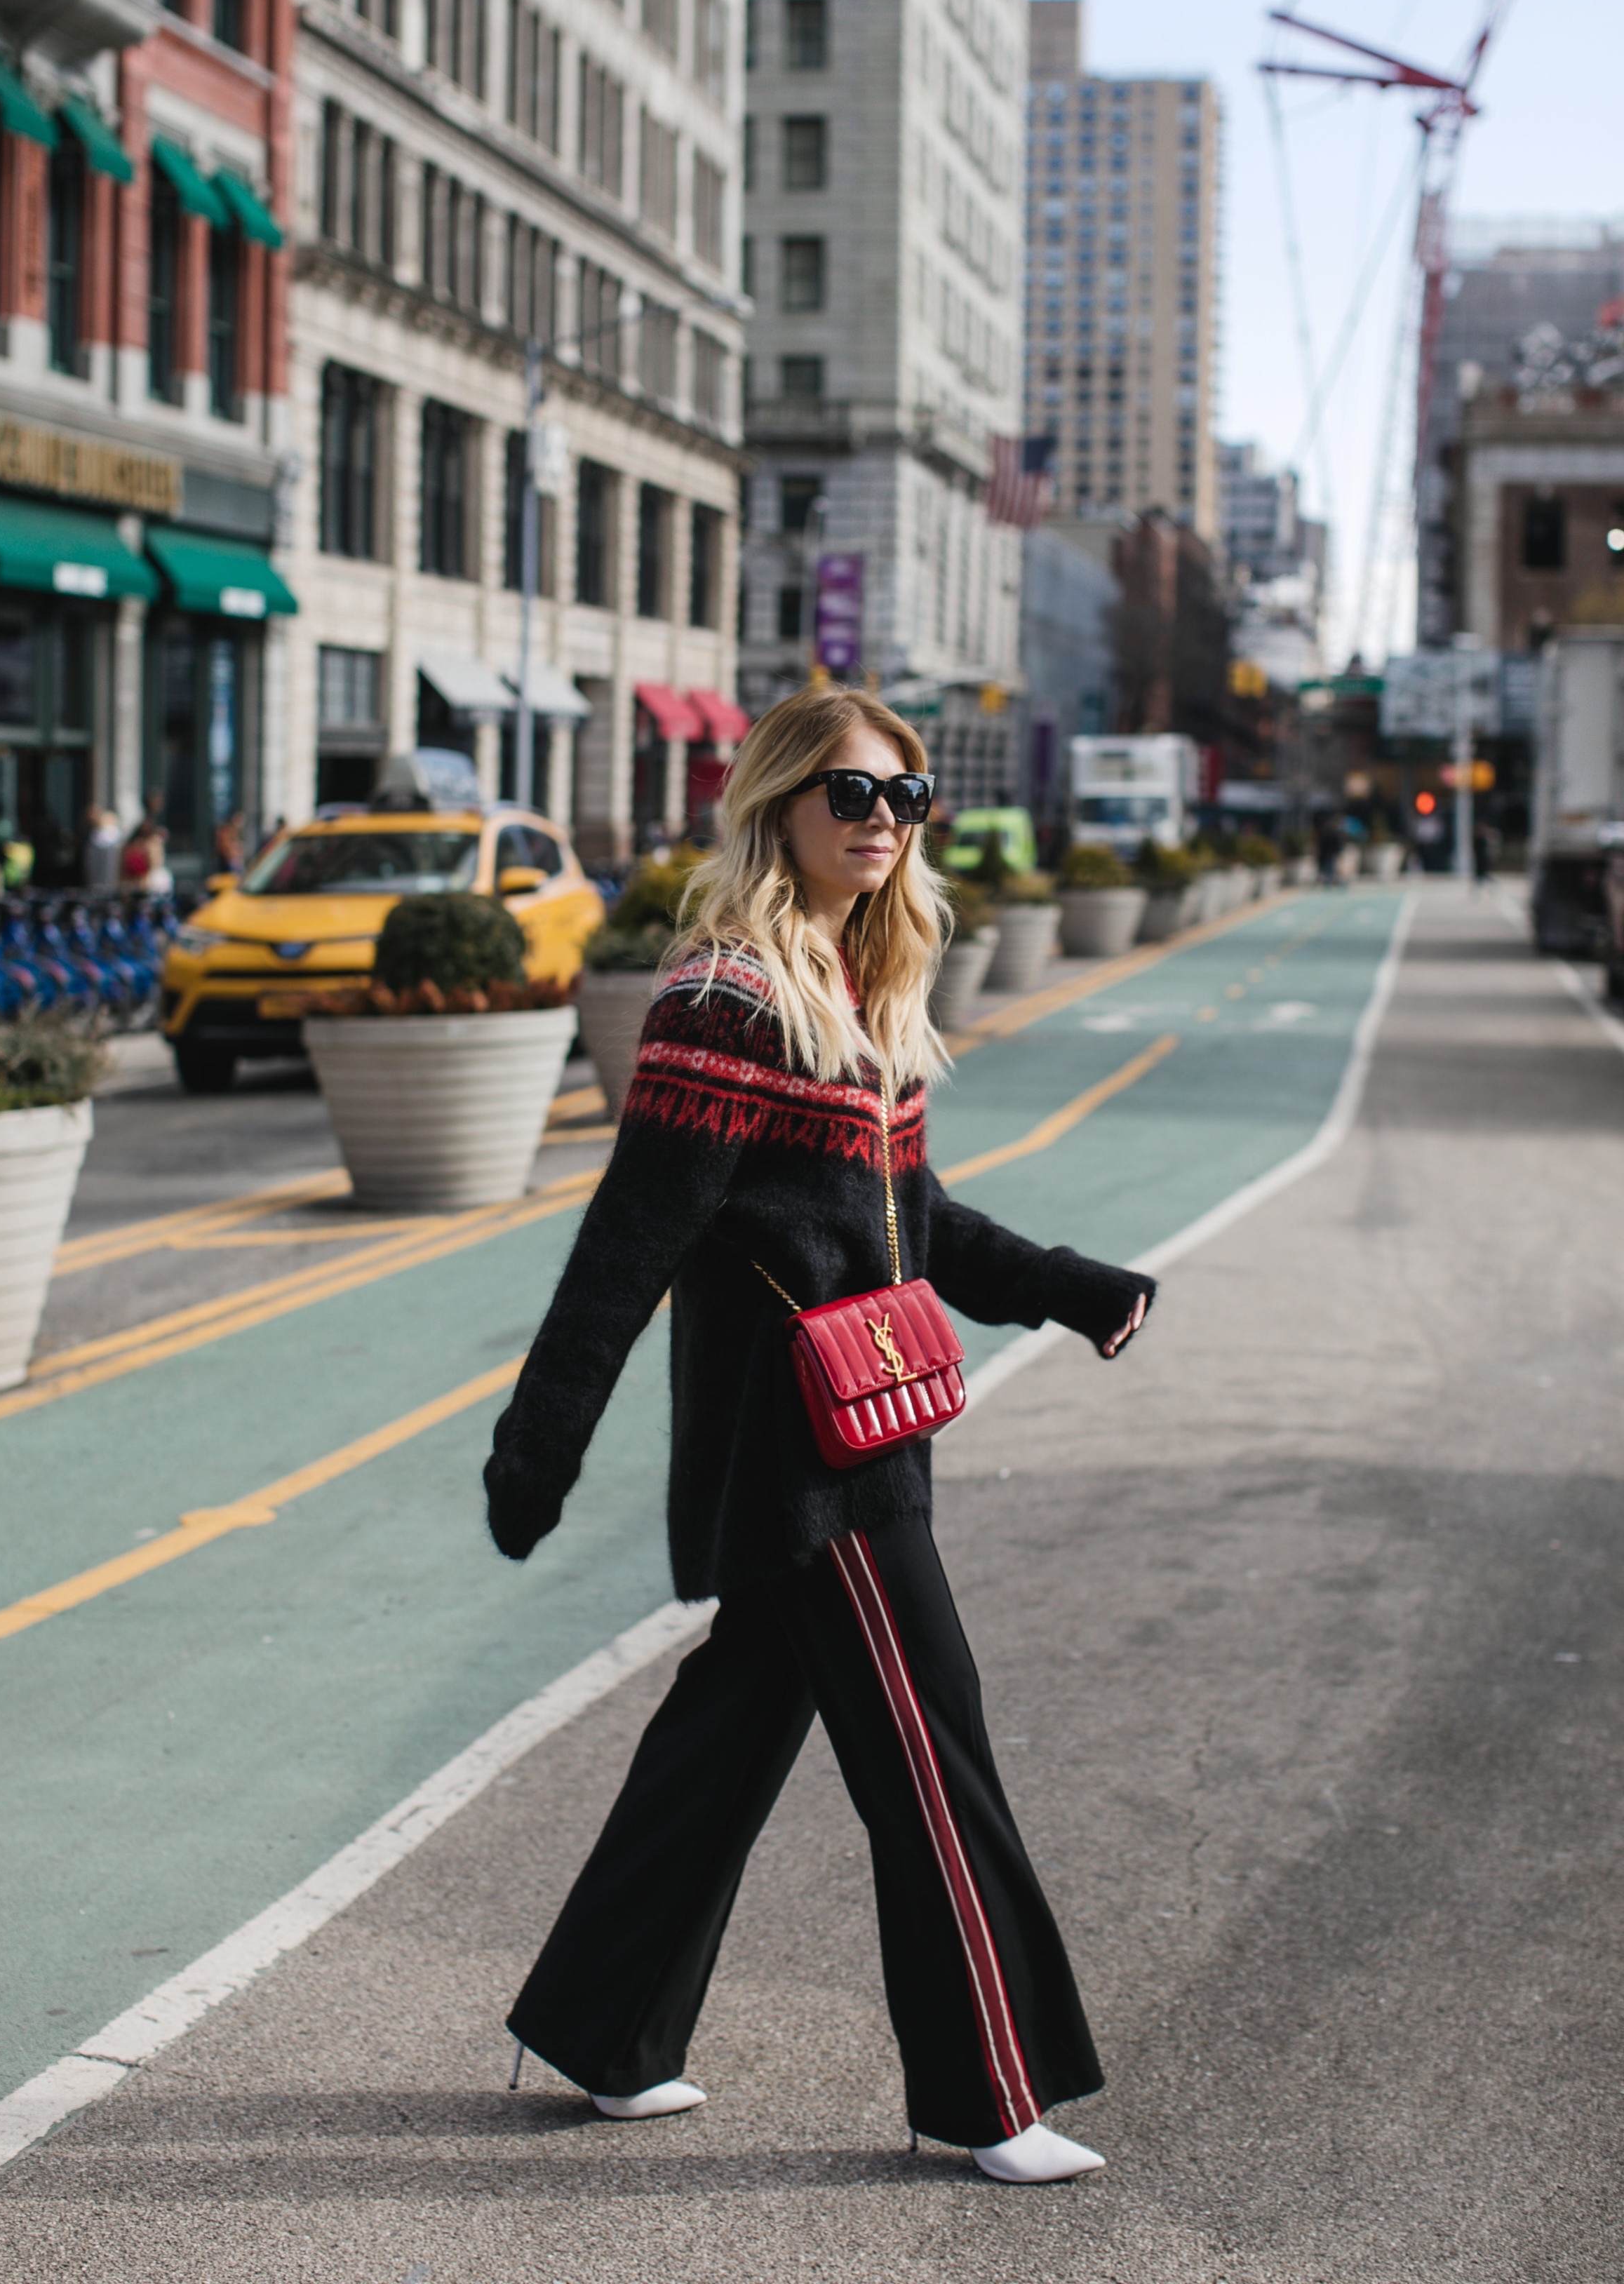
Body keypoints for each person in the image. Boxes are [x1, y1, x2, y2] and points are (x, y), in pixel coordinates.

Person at [484, 686, 1155, 2184]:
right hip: (807, 1455)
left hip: (866, 1421)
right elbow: (630, 1242)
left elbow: (908, 1224)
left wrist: (1064, 1288)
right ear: (779, 805)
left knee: (731, 1737)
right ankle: (989, 2096)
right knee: (934, 1743)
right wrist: (540, 1446)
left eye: (904, 801)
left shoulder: (862, 986)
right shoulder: (727, 999)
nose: (879, 824)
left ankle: (602, 2029)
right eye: (850, 796)